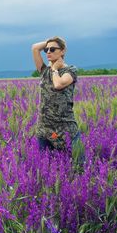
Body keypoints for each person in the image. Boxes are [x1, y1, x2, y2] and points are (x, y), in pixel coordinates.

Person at [31, 36, 84, 165]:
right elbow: (35, 47)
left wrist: (55, 69)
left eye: (53, 49)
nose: (48, 52)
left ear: (63, 51)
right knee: (46, 167)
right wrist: (50, 42)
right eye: (47, 50)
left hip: (65, 127)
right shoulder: (44, 71)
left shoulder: (70, 70)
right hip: (45, 127)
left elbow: (58, 84)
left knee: (79, 166)